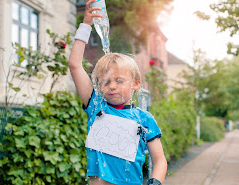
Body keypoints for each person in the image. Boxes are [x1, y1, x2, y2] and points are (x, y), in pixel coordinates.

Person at [68, 0, 167, 184]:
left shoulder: (144, 119)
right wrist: (86, 25)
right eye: (106, 82)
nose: (111, 86)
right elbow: (74, 66)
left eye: (119, 81)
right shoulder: (96, 108)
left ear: (136, 84)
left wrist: (155, 181)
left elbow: (160, 160)